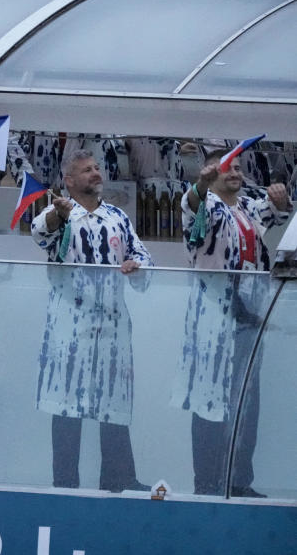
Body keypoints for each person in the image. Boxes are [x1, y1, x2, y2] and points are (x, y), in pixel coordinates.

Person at [171, 150, 291, 497]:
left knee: (246, 404)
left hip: (250, 320)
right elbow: (191, 203)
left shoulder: (247, 207)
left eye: (239, 167)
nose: (236, 173)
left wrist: (280, 199)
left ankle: (240, 481)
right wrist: (201, 183)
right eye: (228, 168)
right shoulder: (204, 207)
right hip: (213, 323)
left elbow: (276, 211)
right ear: (213, 173)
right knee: (210, 404)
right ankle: (207, 483)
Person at [31, 149, 151, 492]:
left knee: (113, 404)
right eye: (86, 170)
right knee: (67, 407)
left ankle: (119, 480)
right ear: (69, 181)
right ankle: (64, 486)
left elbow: (142, 254)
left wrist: (136, 265)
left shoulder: (116, 217)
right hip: (70, 327)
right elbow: (40, 234)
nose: (95, 173)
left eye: (97, 168)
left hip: (113, 327)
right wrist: (58, 213)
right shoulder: (60, 214)